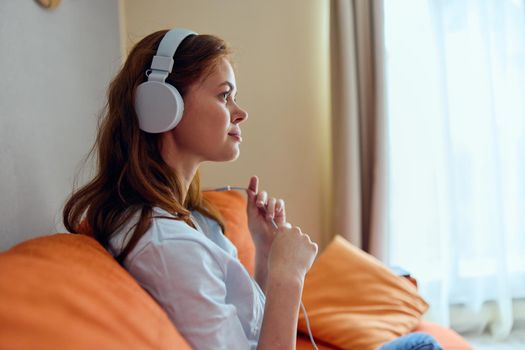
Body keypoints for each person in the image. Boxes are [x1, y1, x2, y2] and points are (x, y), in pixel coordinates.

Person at [63, 28, 442, 350]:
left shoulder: (185, 218)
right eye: (223, 95)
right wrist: (287, 276)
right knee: (423, 345)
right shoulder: (166, 245)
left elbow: (249, 332)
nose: (239, 112)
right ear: (162, 107)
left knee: (397, 273)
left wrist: (264, 252)